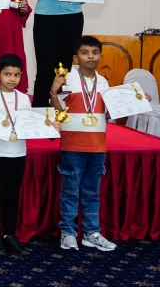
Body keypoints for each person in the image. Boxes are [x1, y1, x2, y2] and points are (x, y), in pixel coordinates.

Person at [0, 54, 60, 257]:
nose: (12, 79)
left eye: (16, 75)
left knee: (13, 194)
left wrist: (49, 126)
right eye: (7, 74)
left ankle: (9, 234)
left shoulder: (24, 98)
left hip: (18, 152)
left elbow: (30, 123)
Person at [49, 37, 115, 251]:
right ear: (76, 57)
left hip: (97, 145)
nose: (90, 56)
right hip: (73, 144)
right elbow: (58, 111)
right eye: (85, 52)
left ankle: (91, 233)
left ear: (100, 56)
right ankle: (68, 232)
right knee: (70, 191)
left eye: (94, 52)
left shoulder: (104, 82)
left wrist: (134, 101)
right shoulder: (67, 78)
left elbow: (107, 113)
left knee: (92, 192)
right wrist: (53, 92)